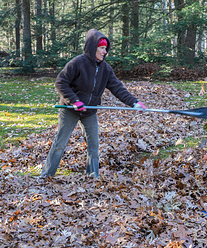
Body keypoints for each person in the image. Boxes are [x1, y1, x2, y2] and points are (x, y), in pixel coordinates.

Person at [40, 29, 146, 178]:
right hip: (70, 108)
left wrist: (134, 102)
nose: (104, 52)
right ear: (92, 47)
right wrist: (75, 101)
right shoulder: (77, 63)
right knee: (60, 143)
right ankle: (46, 175)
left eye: (105, 49)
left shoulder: (105, 69)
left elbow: (118, 88)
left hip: (89, 111)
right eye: (102, 48)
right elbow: (60, 82)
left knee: (94, 145)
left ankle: (92, 177)